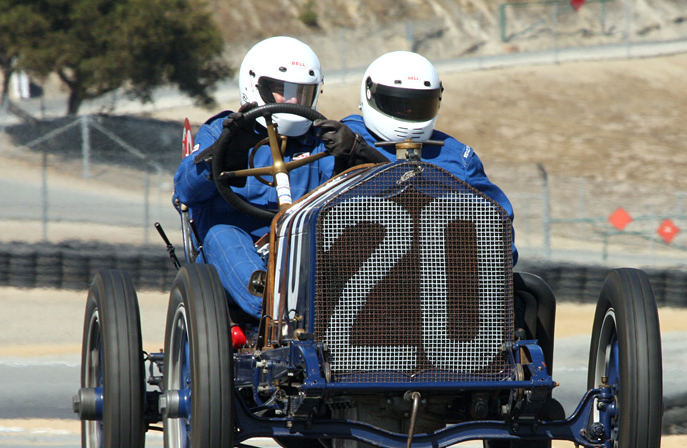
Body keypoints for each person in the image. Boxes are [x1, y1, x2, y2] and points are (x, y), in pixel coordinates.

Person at [174, 36, 338, 322]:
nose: (292, 101)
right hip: (234, 239)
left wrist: (354, 155)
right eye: (280, 90)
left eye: (301, 93)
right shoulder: (221, 130)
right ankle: (270, 302)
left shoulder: (319, 142)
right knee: (221, 233)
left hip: (302, 240)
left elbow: (346, 198)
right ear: (254, 85)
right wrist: (220, 156)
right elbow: (185, 193)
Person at [314, 51, 515, 229]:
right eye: (397, 104)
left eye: (417, 106)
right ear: (370, 94)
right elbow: (311, 211)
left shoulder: (458, 157)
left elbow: (499, 221)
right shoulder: (340, 139)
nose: (408, 113)